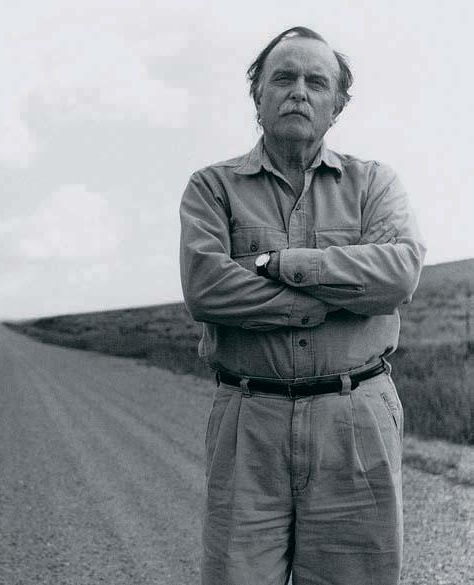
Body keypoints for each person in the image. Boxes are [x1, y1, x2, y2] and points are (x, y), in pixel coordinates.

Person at [179, 26, 426, 585]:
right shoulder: (212, 188)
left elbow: (397, 276)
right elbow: (206, 288)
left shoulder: (374, 184)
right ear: (257, 95)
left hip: (355, 418)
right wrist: (329, 298)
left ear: (337, 105)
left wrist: (279, 265)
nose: (299, 91)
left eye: (316, 82)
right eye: (283, 78)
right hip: (248, 420)